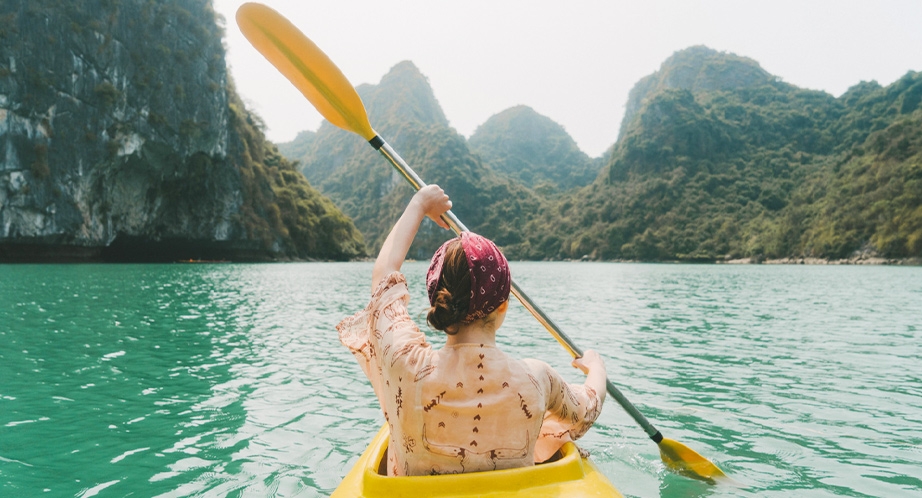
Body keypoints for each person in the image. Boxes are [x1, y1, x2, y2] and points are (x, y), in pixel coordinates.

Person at [337, 185, 607, 477]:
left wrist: (420, 203)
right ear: (502, 305)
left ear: (438, 299)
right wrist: (596, 366)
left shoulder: (405, 363)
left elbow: (383, 278)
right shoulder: (538, 380)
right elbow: (587, 407)